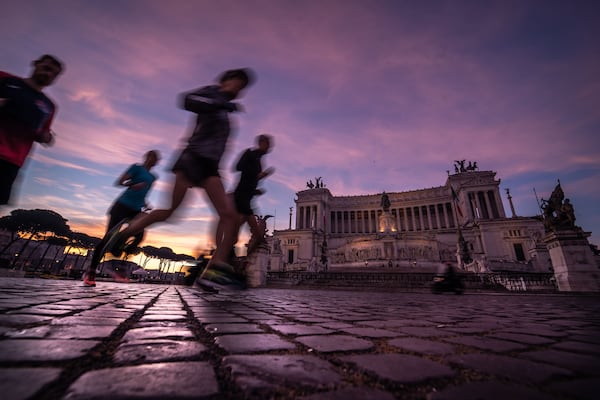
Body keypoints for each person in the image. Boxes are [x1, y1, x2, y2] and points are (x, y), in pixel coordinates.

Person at [109, 68, 255, 290]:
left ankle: (214, 268)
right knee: (170, 212)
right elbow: (187, 100)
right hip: (191, 160)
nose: (239, 89)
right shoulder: (212, 93)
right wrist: (218, 103)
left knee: (229, 215)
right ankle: (125, 233)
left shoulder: (226, 110)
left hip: (210, 168)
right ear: (225, 80)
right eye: (237, 82)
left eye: (242, 87)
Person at [83, 150, 160, 287]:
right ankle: (91, 271)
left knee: (140, 234)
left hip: (136, 209)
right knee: (107, 238)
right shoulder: (136, 168)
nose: (152, 160)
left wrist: (145, 203)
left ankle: (121, 263)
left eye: (155, 158)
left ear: (156, 162)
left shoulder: (153, 177)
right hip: (121, 206)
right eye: (151, 157)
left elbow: (143, 194)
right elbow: (119, 182)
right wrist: (132, 184)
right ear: (146, 157)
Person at [0, 54, 64, 205]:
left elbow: (45, 133)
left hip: (11, 161)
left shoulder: (49, 106)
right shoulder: (6, 80)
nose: (48, 74)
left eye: (54, 74)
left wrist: (46, 137)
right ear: (35, 64)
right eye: (46, 68)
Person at [215, 134, 274, 259]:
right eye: (268, 143)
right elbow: (239, 170)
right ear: (261, 143)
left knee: (251, 237)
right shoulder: (251, 154)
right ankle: (219, 265)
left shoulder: (257, 158)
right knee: (238, 237)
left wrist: (257, 187)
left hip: (246, 200)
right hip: (241, 199)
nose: (270, 146)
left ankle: (240, 264)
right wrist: (260, 176)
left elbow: (250, 180)